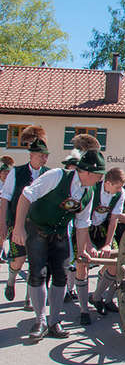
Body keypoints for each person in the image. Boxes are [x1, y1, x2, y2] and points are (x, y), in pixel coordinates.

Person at [11, 145, 105, 340]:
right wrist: (19, 227)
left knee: (61, 276)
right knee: (39, 273)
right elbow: (26, 196)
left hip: (60, 234)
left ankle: (54, 322)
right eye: (98, 174)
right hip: (37, 229)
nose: (100, 178)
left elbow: (82, 223)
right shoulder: (57, 176)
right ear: (86, 172)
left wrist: (81, 251)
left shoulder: (89, 191)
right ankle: (40, 321)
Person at [1, 126, 50, 311]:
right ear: (31, 155)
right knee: (18, 260)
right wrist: (3, 225)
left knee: (36, 262)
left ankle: (31, 297)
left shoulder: (49, 173)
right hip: (18, 224)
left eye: (46, 155)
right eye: (40, 155)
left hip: (39, 227)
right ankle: (11, 280)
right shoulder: (17, 172)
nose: (44, 158)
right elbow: (5, 198)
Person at [80, 166, 125, 325]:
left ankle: (97, 297)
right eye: (117, 187)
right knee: (82, 264)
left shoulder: (120, 193)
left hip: (102, 228)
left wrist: (107, 244)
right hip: (83, 229)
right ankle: (83, 309)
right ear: (107, 183)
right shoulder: (92, 189)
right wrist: (88, 245)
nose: (120, 190)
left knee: (116, 262)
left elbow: (114, 219)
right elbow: (82, 219)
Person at [61, 151, 81, 303]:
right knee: (66, 257)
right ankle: (62, 288)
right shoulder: (61, 184)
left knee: (74, 259)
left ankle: (71, 288)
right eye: (71, 169)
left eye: (76, 169)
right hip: (63, 224)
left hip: (78, 223)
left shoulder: (82, 187)